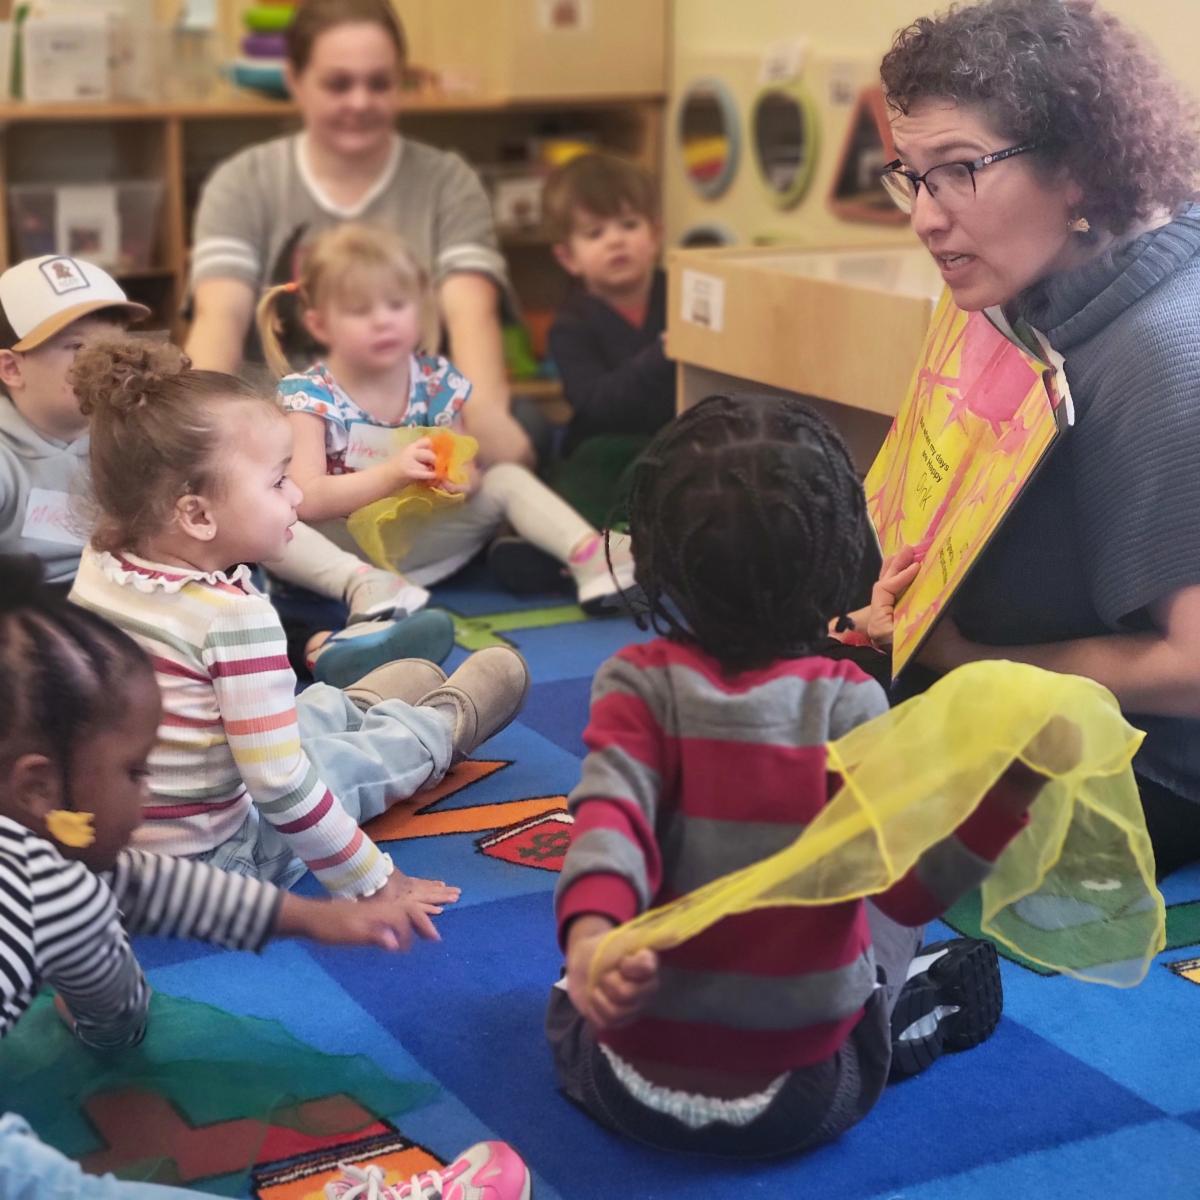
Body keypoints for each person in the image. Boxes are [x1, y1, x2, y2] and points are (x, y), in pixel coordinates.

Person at [547, 394, 1060, 1157]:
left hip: (627, 1088)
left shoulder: (634, 684)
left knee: (571, 993)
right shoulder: (848, 702)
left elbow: (609, 825)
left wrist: (592, 939)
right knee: (886, 915)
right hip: (802, 1099)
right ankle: (901, 1013)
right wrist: (1002, 803)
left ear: (655, 556)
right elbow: (906, 891)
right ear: (837, 555)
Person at [0, 555, 531, 1199]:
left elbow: (152, 888)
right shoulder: (51, 884)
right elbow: (113, 1008)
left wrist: (315, 918)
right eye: (135, 773)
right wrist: (108, 1024)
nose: (146, 796)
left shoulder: (39, 861)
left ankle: (362, 707)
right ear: (38, 787)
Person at [870, 0, 1200, 877]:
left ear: (1080, 168)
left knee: (801, 792)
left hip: (1151, 763)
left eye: (958, 171)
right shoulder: (1039, 282)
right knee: (758, 701)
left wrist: (973, 661)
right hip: (1012, 680)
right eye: (912, 177)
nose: (925, 218)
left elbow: (1195, 668)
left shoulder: (1166, 353)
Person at [65, 335, 529, 902]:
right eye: (278, 481)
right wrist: (377, 884)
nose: (296, 497)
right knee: (342, 767)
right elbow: (282, 788)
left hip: (124, 845)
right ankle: (434, 729)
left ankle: (354, 706)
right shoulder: (235, 619)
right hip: (219, 859)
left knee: (291, 715)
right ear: (197, 515)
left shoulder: (101, 561)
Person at [0, 252, 449, 688]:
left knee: (238, 515)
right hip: (57, 615)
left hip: (158, 582)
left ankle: (356, 595)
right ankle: (316, 647)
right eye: (78, 348)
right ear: (11, 368)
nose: (105, 365)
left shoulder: (129, 425)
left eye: (113, 344)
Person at [184, 0, 534, 469]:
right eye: (338, 84)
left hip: (415, 424)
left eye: (379, 83)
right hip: (280, 433)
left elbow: (471, 312)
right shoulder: (242, 182)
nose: (360, 102)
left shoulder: (449, 181)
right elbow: (219, 318)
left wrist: (486, 421)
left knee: (525, 432)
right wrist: (197, 432)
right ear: (295, 80)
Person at [256, 223, 638, 612]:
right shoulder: (310, 395)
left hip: (427, 540)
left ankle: (590, 557)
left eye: (396, 305)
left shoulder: (435, 380)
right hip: (344, 549)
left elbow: (467, 470)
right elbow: (308, 498)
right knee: (273, 517)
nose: (382, 321)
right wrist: (392, 474)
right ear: (319, 324)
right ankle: (365, 587)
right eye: (360, 311)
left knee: (505, 477)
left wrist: (457, 481)